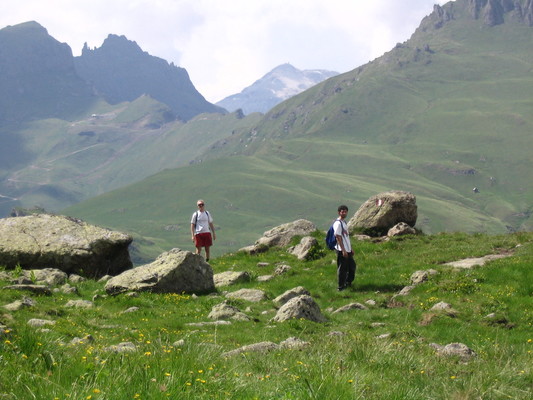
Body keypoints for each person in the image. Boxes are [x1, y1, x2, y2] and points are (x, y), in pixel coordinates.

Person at [334, 204, 356, 291]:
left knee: (352, 266)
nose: (344, 213)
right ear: (339, 212)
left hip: (347, 249)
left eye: (345, 211)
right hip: (341, 250)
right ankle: (340, 287)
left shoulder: (344, 222)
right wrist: (343, 250)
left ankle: (348, 282)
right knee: (342, 269)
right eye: (342, 211)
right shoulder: (338, 223)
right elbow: (338, 237)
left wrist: (350, 249)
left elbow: (346, 237)